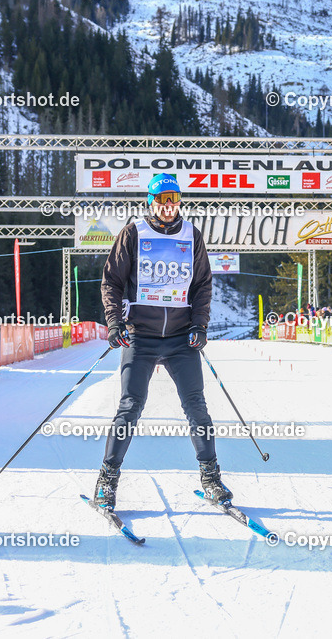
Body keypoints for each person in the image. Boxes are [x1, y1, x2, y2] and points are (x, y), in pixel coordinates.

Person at [95, 173, 231, 510]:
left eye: (174, 199)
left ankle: (211, 478)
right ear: (151, 202)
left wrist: (199, 324)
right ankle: (107, 481)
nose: (169, 206)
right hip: (140, 335)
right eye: (162, 199)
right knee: (130, 407)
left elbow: (202, 284)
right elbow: (112, 281)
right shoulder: (134, 233)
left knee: (196, 406)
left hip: (180, 338)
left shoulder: (191, 234)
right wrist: (114, 322)